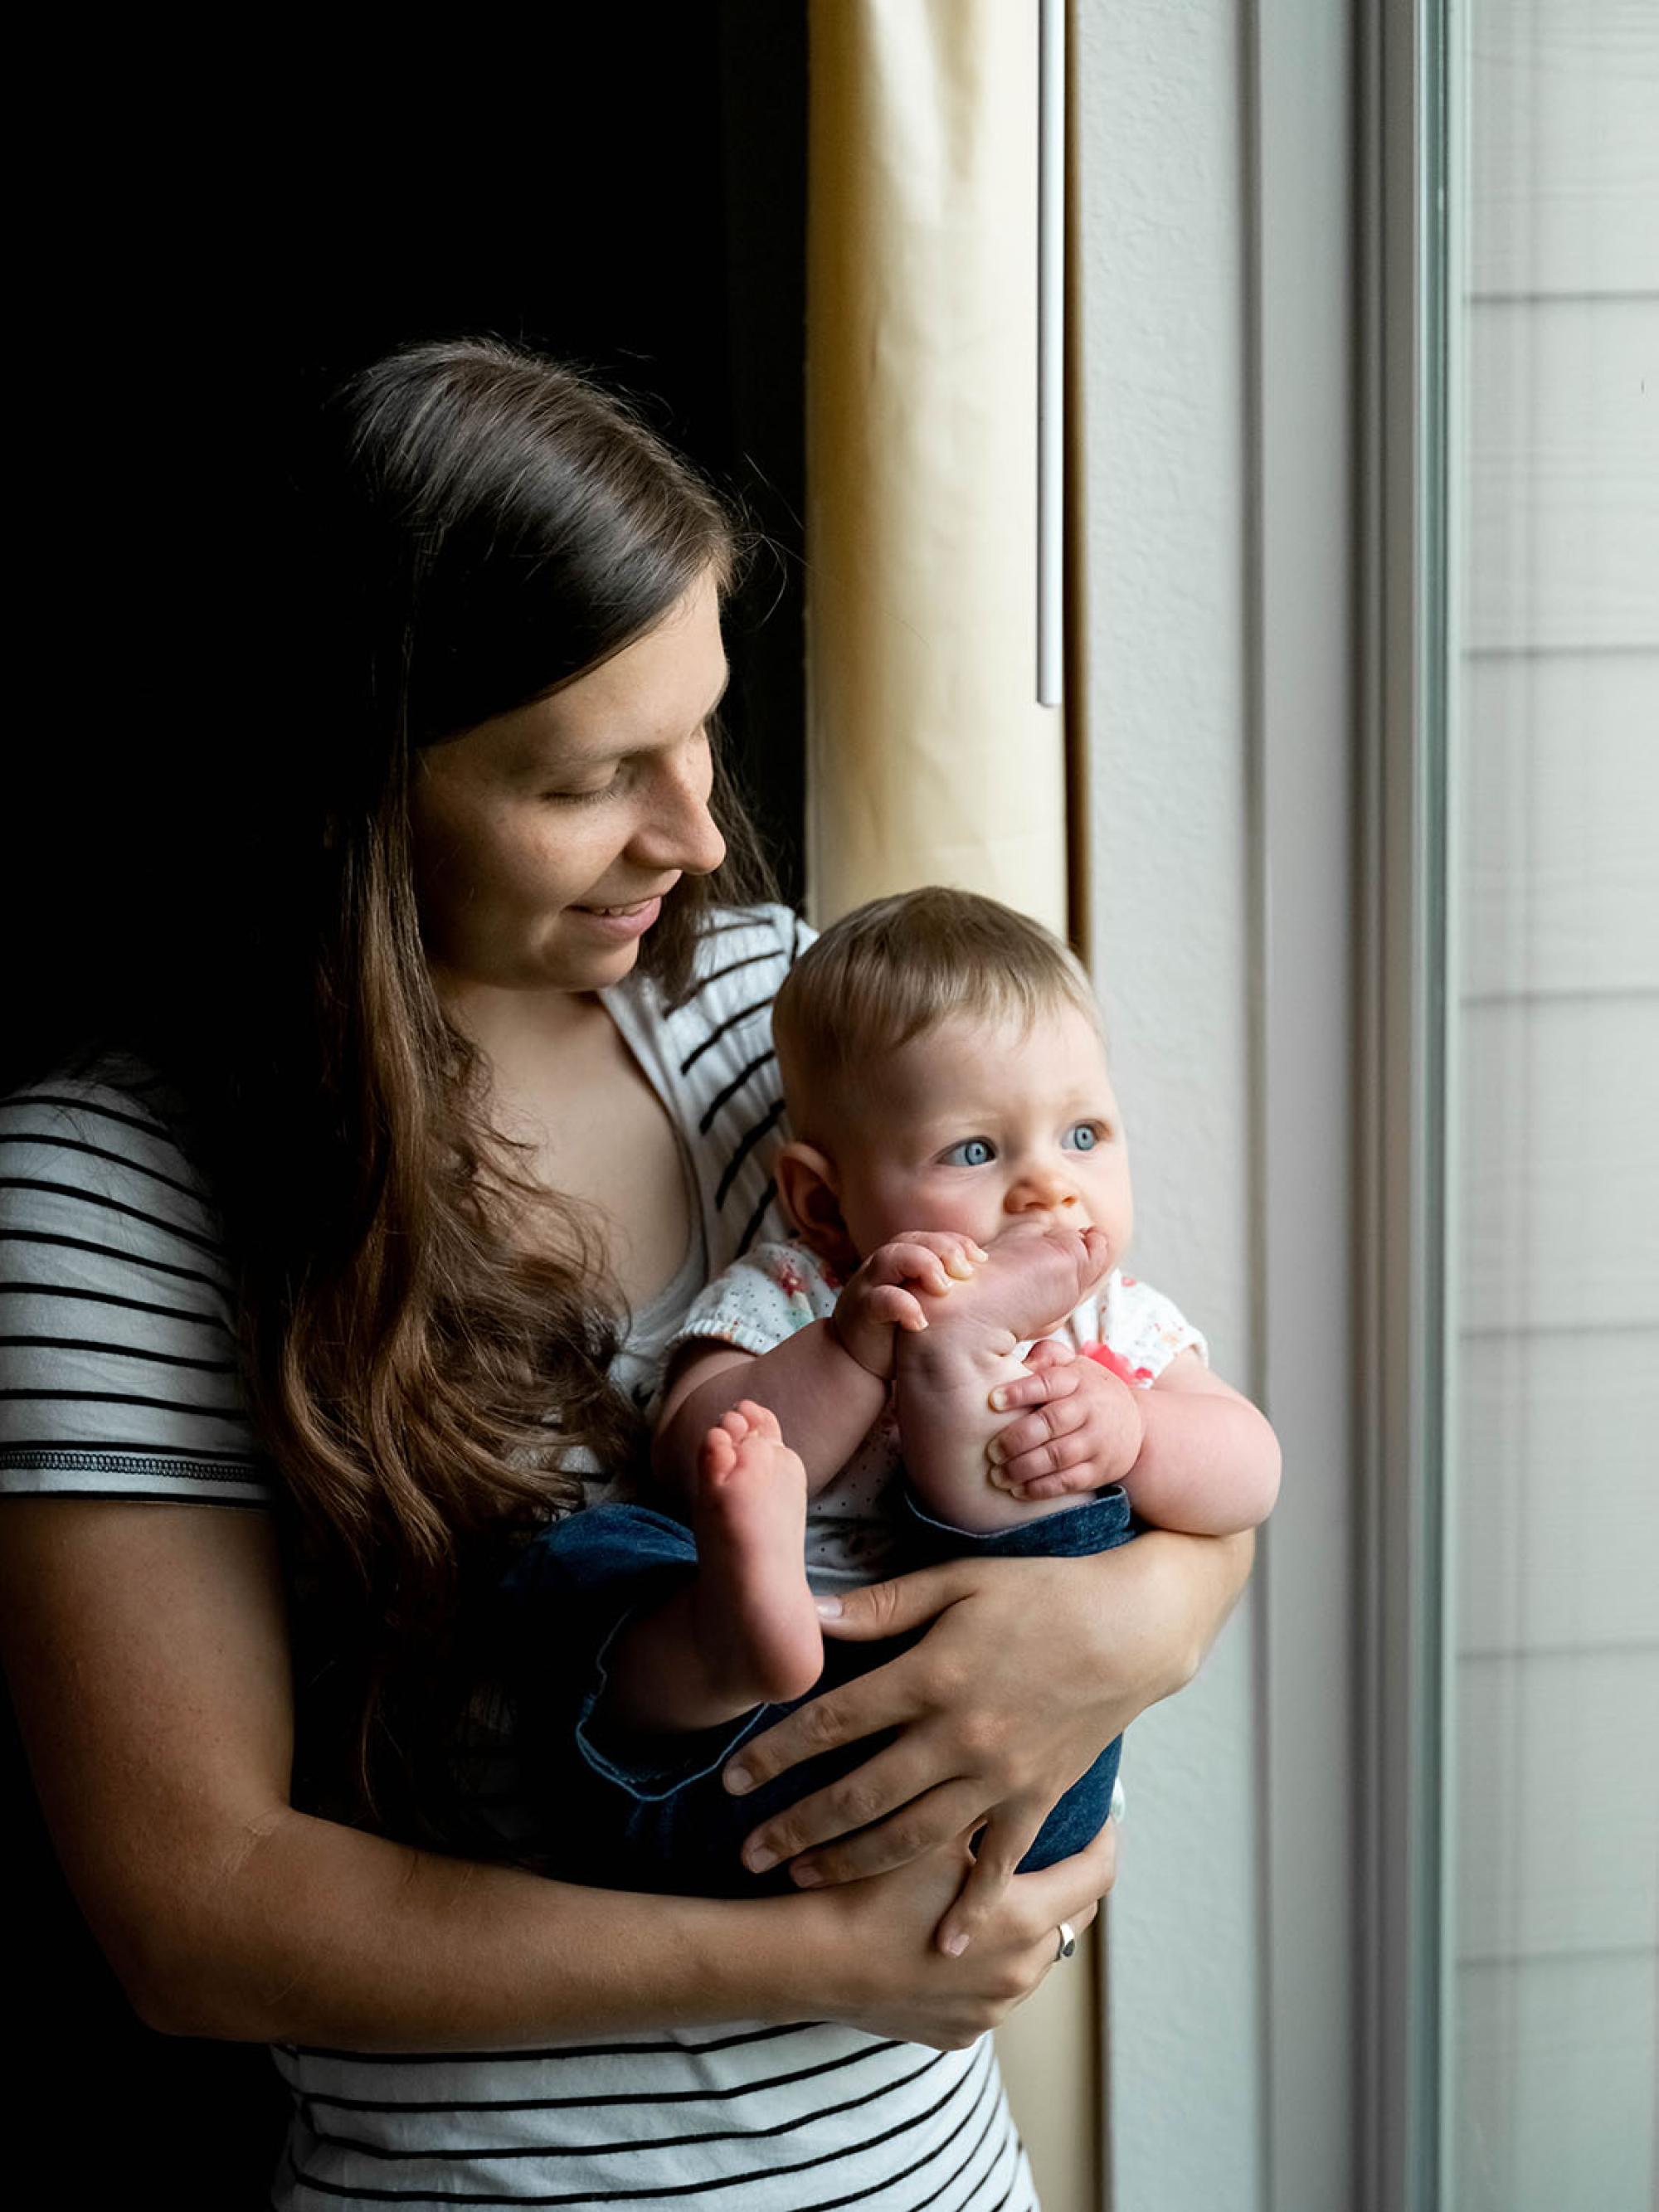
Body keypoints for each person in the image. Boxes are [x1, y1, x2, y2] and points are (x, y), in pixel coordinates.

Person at [0, 338, 1255, 2209]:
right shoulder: (114, 1186)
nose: (694, 832)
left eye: (701, 732)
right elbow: (204, 1915)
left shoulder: (777, 1016)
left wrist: (1136, 1618)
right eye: (589, 778)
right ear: (353, 787)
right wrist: (829, 1964)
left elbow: (1137, 1396)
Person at [501, 889, 1281, 1905]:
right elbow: (699, 1447)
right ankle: (736, 1634)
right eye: (975, 1151)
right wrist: (850, 1352)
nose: (1050, 1188)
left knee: (1073, 1517)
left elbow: (1248, 1471)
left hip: (1007, 1762)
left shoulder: (1110, 1325)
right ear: (822, 1203)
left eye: (1084, 1135)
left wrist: (1134, 1431)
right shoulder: (804, 1295)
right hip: (749, 1750)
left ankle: (965, 1376)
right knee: (592, 1565)